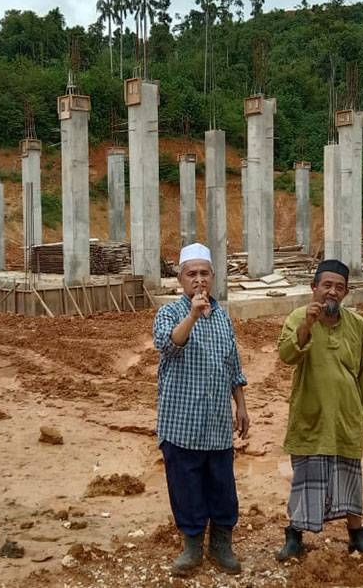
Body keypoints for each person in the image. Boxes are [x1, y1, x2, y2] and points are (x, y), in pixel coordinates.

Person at [274, 259, 363, 561]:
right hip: (311, 415)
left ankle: (357, 536)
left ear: (346, 293)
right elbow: (287, 355)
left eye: (339, 287)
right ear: (313, 288)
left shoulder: (357, 325)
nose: (332, 292)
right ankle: (294, 537)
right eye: (326, 285)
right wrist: (306, 326)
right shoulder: (297, 317)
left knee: (350, 478)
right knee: (305, 478)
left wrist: (362, 413)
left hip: (345, 417)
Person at [153, 242, 250, 576]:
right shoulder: (169, 314)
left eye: (204, 273)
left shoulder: (223, 318)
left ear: (213, 277)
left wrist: (241, 406)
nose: (199, 280)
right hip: (181, 425)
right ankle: (192, 546)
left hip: (217, 426)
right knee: (186, 487)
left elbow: (232, 366)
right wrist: (193, 315)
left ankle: (222, 544)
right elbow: (169, 345)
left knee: (222, 486)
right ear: (180, 279)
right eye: (191, 274)